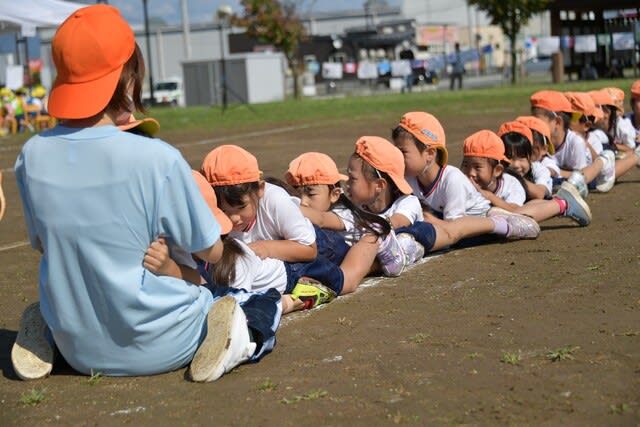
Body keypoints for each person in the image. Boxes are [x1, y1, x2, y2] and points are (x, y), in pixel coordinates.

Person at [11, 4, 255, 383]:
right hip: (167, 342)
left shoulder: (32, 155)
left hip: (78, 350)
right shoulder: (158, 157)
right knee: (235, 304)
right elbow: (211, 251)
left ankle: (48, 326)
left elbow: (45, 246)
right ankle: (232, 340)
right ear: (128, 76)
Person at [530, 90, 616, 196]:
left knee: (595, 178)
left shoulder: (576, 142)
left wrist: (557, 172)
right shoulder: (539, 140)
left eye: (538, 121)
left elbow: (580, 177)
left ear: (557, 122)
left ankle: (604, 160)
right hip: (566, 173)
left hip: (590, 168)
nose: (534, 125)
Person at [460, 129, 526, 211]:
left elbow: (515, 210)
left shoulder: (510, 185)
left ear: (497, 170)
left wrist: (488, 195)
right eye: (465, 165)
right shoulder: (461, 183)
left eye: (477, 167)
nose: (471, 173)